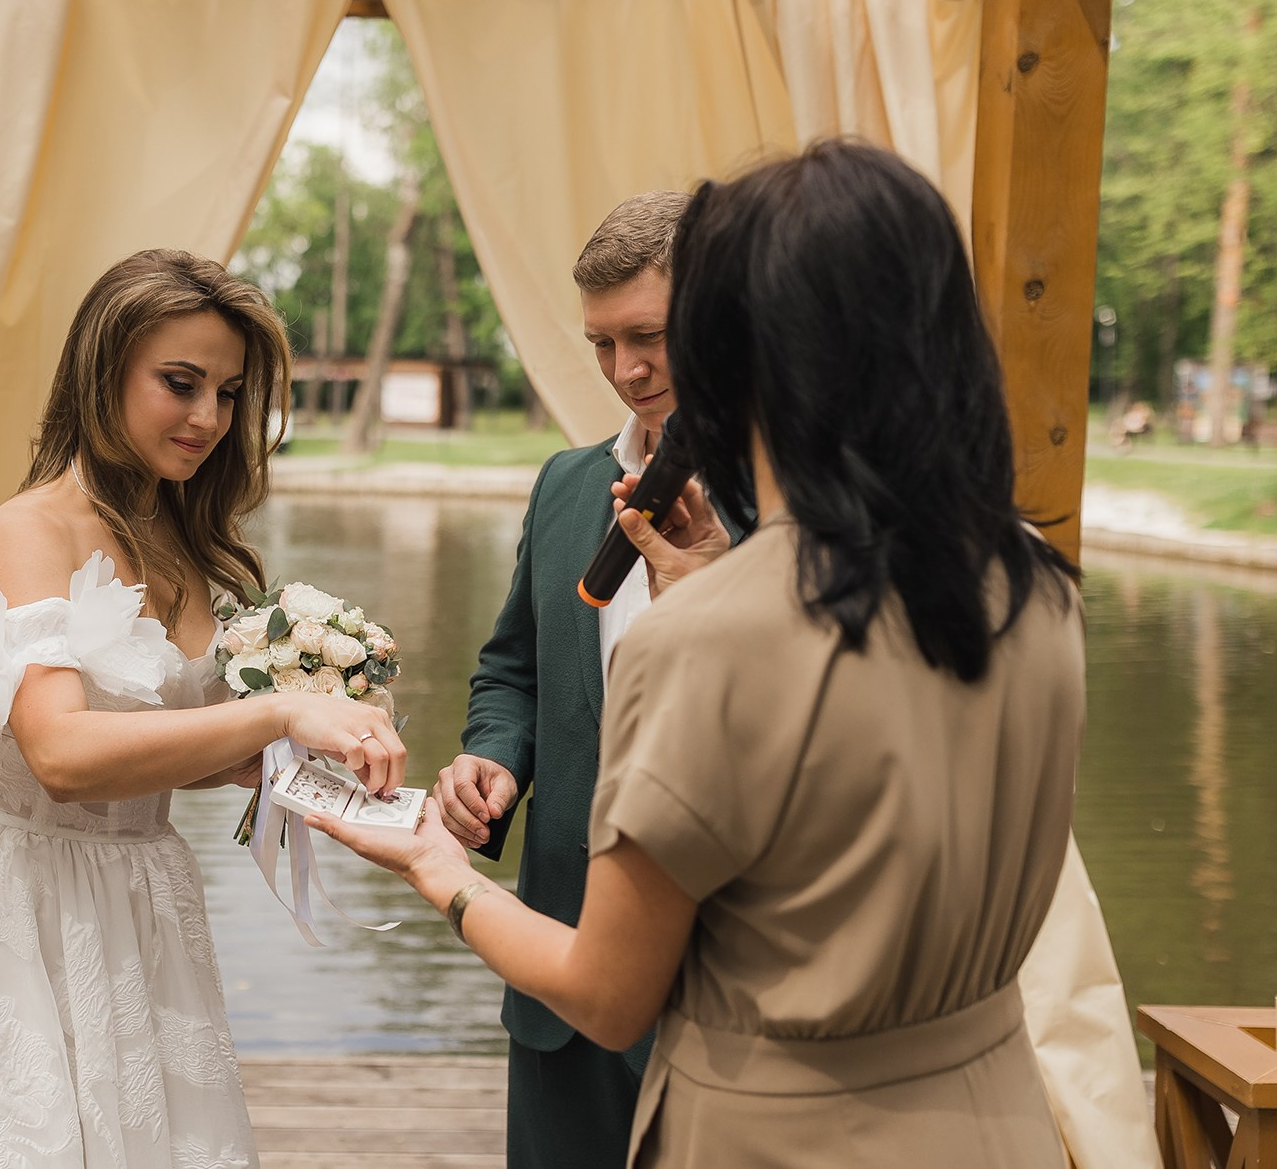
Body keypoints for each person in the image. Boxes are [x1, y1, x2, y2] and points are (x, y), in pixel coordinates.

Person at [316, 142, 1084, 1166]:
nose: (630, 368)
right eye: (603, 342)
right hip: (984, 1115)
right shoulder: (1034, 586)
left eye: (672, 332)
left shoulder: (709, 633)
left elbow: (607, 988)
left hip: (773, 1129)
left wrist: (438, 868)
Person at [0, 250, 403, 1168]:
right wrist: (277, 715)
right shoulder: (31, 531)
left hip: (141, 902)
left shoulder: (183, 537)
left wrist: (287, 759)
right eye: (180, 383)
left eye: (229, 393)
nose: (209, 418)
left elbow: (152, 751)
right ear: (103, 372)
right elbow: (60, 755)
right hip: (16, 908)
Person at [433, 191, 739, 1169]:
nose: (623, 369)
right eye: (601, 343)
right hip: (558, 968)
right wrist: (492, 757)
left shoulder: (796, 502)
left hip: (728, 983)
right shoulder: (565, 483)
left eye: (647, 336)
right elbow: (512, 667)